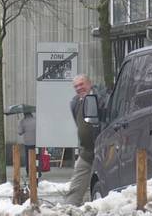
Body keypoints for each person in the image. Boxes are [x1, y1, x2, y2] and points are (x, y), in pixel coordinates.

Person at [65, 74, 99, 206]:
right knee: (76, 187)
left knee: (103, 186)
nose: (79, 88)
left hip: (103, 150)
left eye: (81, 84)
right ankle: (68, 210)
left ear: (89, 84)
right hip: (86, 152)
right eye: (76, 86)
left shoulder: (100, 98)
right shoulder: (75, 103)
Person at [17, 112, 37, 177]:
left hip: (28, 143)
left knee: (28, 158)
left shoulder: (23, 121)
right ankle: (37, 172)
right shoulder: (36, 120)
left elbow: (20, 132)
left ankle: (29, 172)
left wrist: (19, 123)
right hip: (36, 142)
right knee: (36, 157)